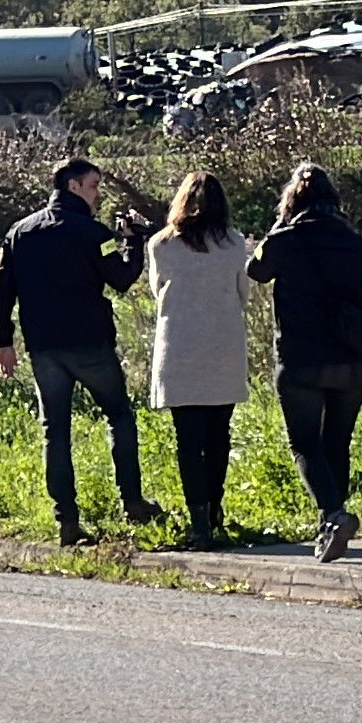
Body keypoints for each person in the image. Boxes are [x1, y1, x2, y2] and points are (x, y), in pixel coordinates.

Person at [0, 157, 163, 544]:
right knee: (118, 414)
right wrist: (133, 241)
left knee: (56, 432)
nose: (98, 194)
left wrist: (4, 341)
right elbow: (120, 278)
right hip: (89, 343)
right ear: (73, 187)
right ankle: (133, 503)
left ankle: (67, 521)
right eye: (94, 186)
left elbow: (2, 291)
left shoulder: (20, 232)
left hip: (44, 347)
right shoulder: (92, 232)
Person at [248, 162, 362, 564]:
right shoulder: (357, 243)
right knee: (337, 443)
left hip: (301, 358)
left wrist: (277, 227)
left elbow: (255, 270)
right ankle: (332, 523)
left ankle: (333, 515)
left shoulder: (284, 239)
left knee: (305, 443)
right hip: (348, 359)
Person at [143, 171, 253, 548]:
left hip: (180, 348)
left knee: (188, 441)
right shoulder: (235, 243)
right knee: (219, 435)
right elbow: (244, 293)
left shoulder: (160, 245)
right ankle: (216, 507)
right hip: (223, 346)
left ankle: (199, 519)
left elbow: (157, 292)